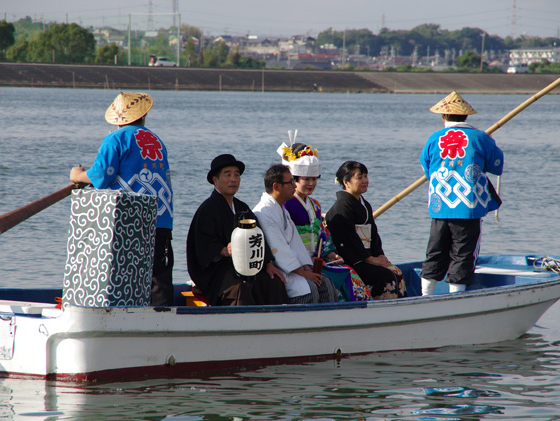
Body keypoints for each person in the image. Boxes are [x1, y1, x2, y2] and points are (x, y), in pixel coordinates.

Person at [69, 92, 174, 306]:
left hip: (129, 219)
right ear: (143, 116)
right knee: (157, 277)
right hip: (160, 217)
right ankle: (162, 323)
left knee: (123, 272)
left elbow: (101, 175)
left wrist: (77, 175)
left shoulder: (116, 138)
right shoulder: (156, 140)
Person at [419, 91, 504, 295]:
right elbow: (496, 165)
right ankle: (456, 297)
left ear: (444, 117)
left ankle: (425, 297)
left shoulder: (434, 138)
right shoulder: (480, 137)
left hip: (440, 205)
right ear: (466, 116)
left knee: (435, 252)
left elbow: (426, 168)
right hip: (468, 206)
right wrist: (491, 143)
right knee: (463, 254)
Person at [186, 154, 288, 306]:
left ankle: (275, 326)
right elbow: (203, 245)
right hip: (220, 270)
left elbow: (258, 237)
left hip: (247, 265)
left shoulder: (242, 208)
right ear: (216, 180)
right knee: (240, 289)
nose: (233, 179)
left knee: (273, 283)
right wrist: (223, 250)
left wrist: (268, 264)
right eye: (228, 175)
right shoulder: (207, 210)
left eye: (237, 175)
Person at [279, 139, 373, 301]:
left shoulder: (314, 205)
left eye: (314, 179)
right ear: (294, 180)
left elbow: (323, 233)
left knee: (348, 272)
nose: (311, 183)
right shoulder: (286, 205)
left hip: (317, 261)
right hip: (298, 265)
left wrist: (331, 254)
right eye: (306, 179)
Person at [253, 164, 338, 304]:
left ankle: (327, 322)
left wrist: (307, 268)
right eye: (291, 182)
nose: (294, 185)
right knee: (309, 288)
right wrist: (304, 273)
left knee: (325, 282)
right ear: (276, 186)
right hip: (278, 269)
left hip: (292, 268)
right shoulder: (263, 212)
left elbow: (295, 243)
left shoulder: (282, 210)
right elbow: (279, 250)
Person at [325, 161, 407, 300]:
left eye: (365, 176)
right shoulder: (341, 208)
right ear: (346, 182)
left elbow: (373, 234)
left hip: (368, 256)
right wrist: (369, 259)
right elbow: (347, 240)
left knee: (396, 272)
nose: (365, 181)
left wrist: (379, 255)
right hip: (354, 260)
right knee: (385, 276)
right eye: (359, 177)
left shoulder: (364, 204)